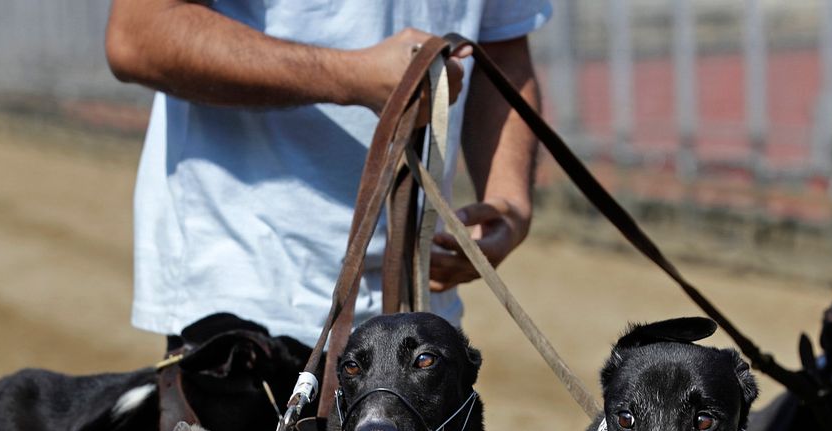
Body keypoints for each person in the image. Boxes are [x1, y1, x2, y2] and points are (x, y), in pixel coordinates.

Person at [105, 0, 551, 347]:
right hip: (247, 302)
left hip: (418, 313)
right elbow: (142, 32)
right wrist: (351, 77)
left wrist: (508, 202)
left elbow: (501, 42)